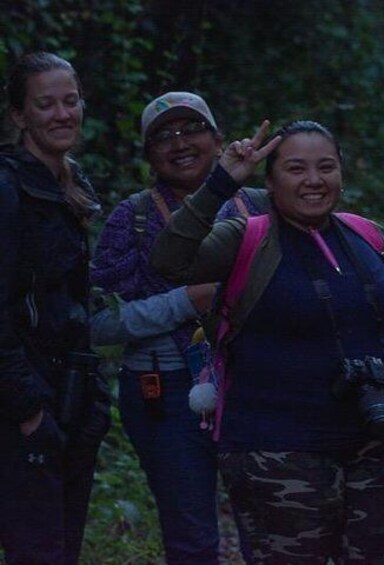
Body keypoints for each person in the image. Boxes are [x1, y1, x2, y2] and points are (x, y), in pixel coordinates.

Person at [150, 119, 384, 564]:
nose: (314, 181)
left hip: (374, 444)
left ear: (341, 174)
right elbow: (169, 261)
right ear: (270, 180)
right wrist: (220, 184)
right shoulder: (246, 238)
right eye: (296, 169)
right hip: (276, 451)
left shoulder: (368, 236)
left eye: (326, 167)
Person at [89, 91, 267, 563]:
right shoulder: (133, 219)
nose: (179, 143)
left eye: (191, 130)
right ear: (148, 155)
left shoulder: (256, 205)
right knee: (190, 538)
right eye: (163, 136)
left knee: (268, 526)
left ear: (218, 139)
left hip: (257, 386)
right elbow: (99, 321)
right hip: (162, 392)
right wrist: (185, 301)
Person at [0, 51, 110, 564]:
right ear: (20, 115)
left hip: (70, 398)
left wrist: (90, 397)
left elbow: (71, 301)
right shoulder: (7, 187)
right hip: (23, 404)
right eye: (46, 104)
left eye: (71, 101)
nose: (63, 114)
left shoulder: (73, 183)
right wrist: (28, 408)